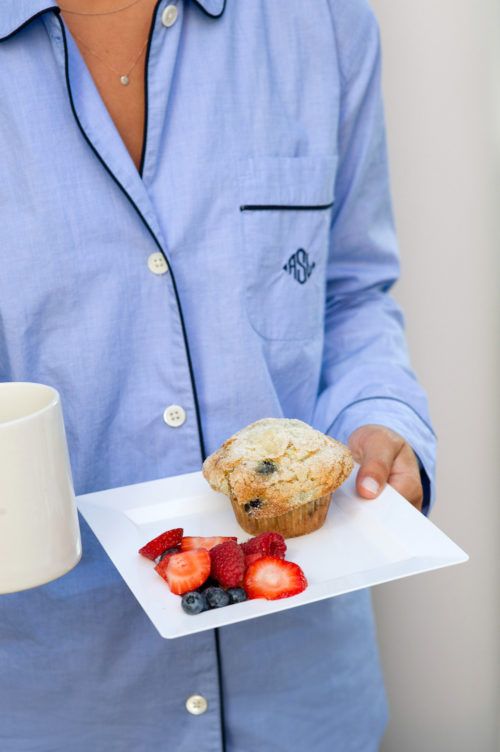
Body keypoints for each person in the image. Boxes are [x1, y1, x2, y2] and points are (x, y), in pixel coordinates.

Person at [0, 1, 436, 750]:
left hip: (310, 704)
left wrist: (382, 415)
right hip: (53, 707)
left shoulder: (323, 21)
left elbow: (352, 291)